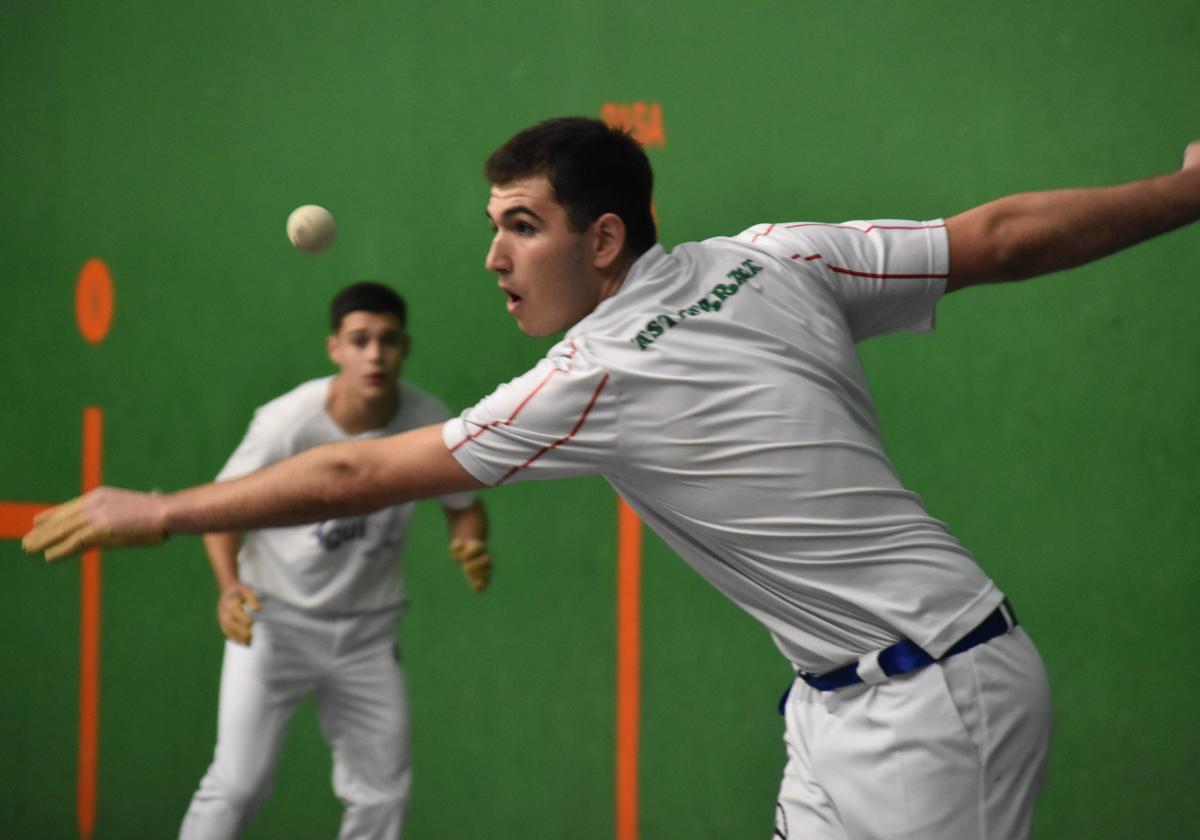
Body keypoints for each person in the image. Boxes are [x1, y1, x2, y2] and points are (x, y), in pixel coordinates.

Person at [26, 119, 1200, 839]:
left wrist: (166, 510)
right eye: (492, 226)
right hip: (839, 710)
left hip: (938, 705)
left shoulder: (595, 372)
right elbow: (996, 237)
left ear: (602, 240)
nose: (492, 257)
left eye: (521, 227)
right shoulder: (775, 255)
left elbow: (356, 472)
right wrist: (1187, 189)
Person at [177, 281, 491, 840]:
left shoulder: (428, 419)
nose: (375, 354)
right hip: (274, 624)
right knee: (239, 783)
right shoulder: (286, 423)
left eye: (388, 340)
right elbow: (221, 512)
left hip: (367, 637)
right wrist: (229, 588)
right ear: (334, 348)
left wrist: (470, 542)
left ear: (406, 348)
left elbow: (464, 505)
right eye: (360, 340)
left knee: (383, 792)